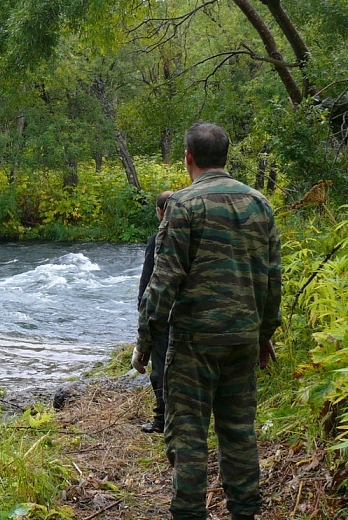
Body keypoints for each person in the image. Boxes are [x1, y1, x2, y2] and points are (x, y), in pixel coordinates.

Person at [133, 123, 281, 520]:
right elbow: (271, 276)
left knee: (189, 436)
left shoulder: (183, 204)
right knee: (238, 432)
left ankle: (189, 513)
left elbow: (163, 281)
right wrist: (265, 334)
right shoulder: (259, 204)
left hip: (195, 343)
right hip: (243, 338)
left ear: (188, 158)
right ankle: (245, 513)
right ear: (226, 156)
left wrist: (145, 342)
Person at [137, 190, 174, 434]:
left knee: (160, 370)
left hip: (162, 315)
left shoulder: (157, 240)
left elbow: (147, 284)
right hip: (190, 315)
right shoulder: (196, 238)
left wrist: (142, 323)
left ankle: (162, 419)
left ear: (159, 212)